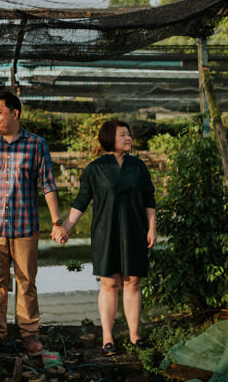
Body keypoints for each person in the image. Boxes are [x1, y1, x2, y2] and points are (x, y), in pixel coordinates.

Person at [0, 91, 69, 358]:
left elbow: (48, 185)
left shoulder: (37, 144)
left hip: (26, 228)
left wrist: (57, 221)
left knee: (26, 282)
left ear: (15, 114)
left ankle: (29, 335)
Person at [57, 119, 156, 356]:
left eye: (129, 134)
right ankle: (108, 338)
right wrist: (67, 227)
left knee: (133, 281)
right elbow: (82, 200)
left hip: (134, 229)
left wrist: (152, 228)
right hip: (106, 231)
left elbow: (149, 200)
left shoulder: (138, 166)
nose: (129, 138)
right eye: (123, 135)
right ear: (110, 138)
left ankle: (134, 335)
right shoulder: (95, 168)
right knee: (109, 283)